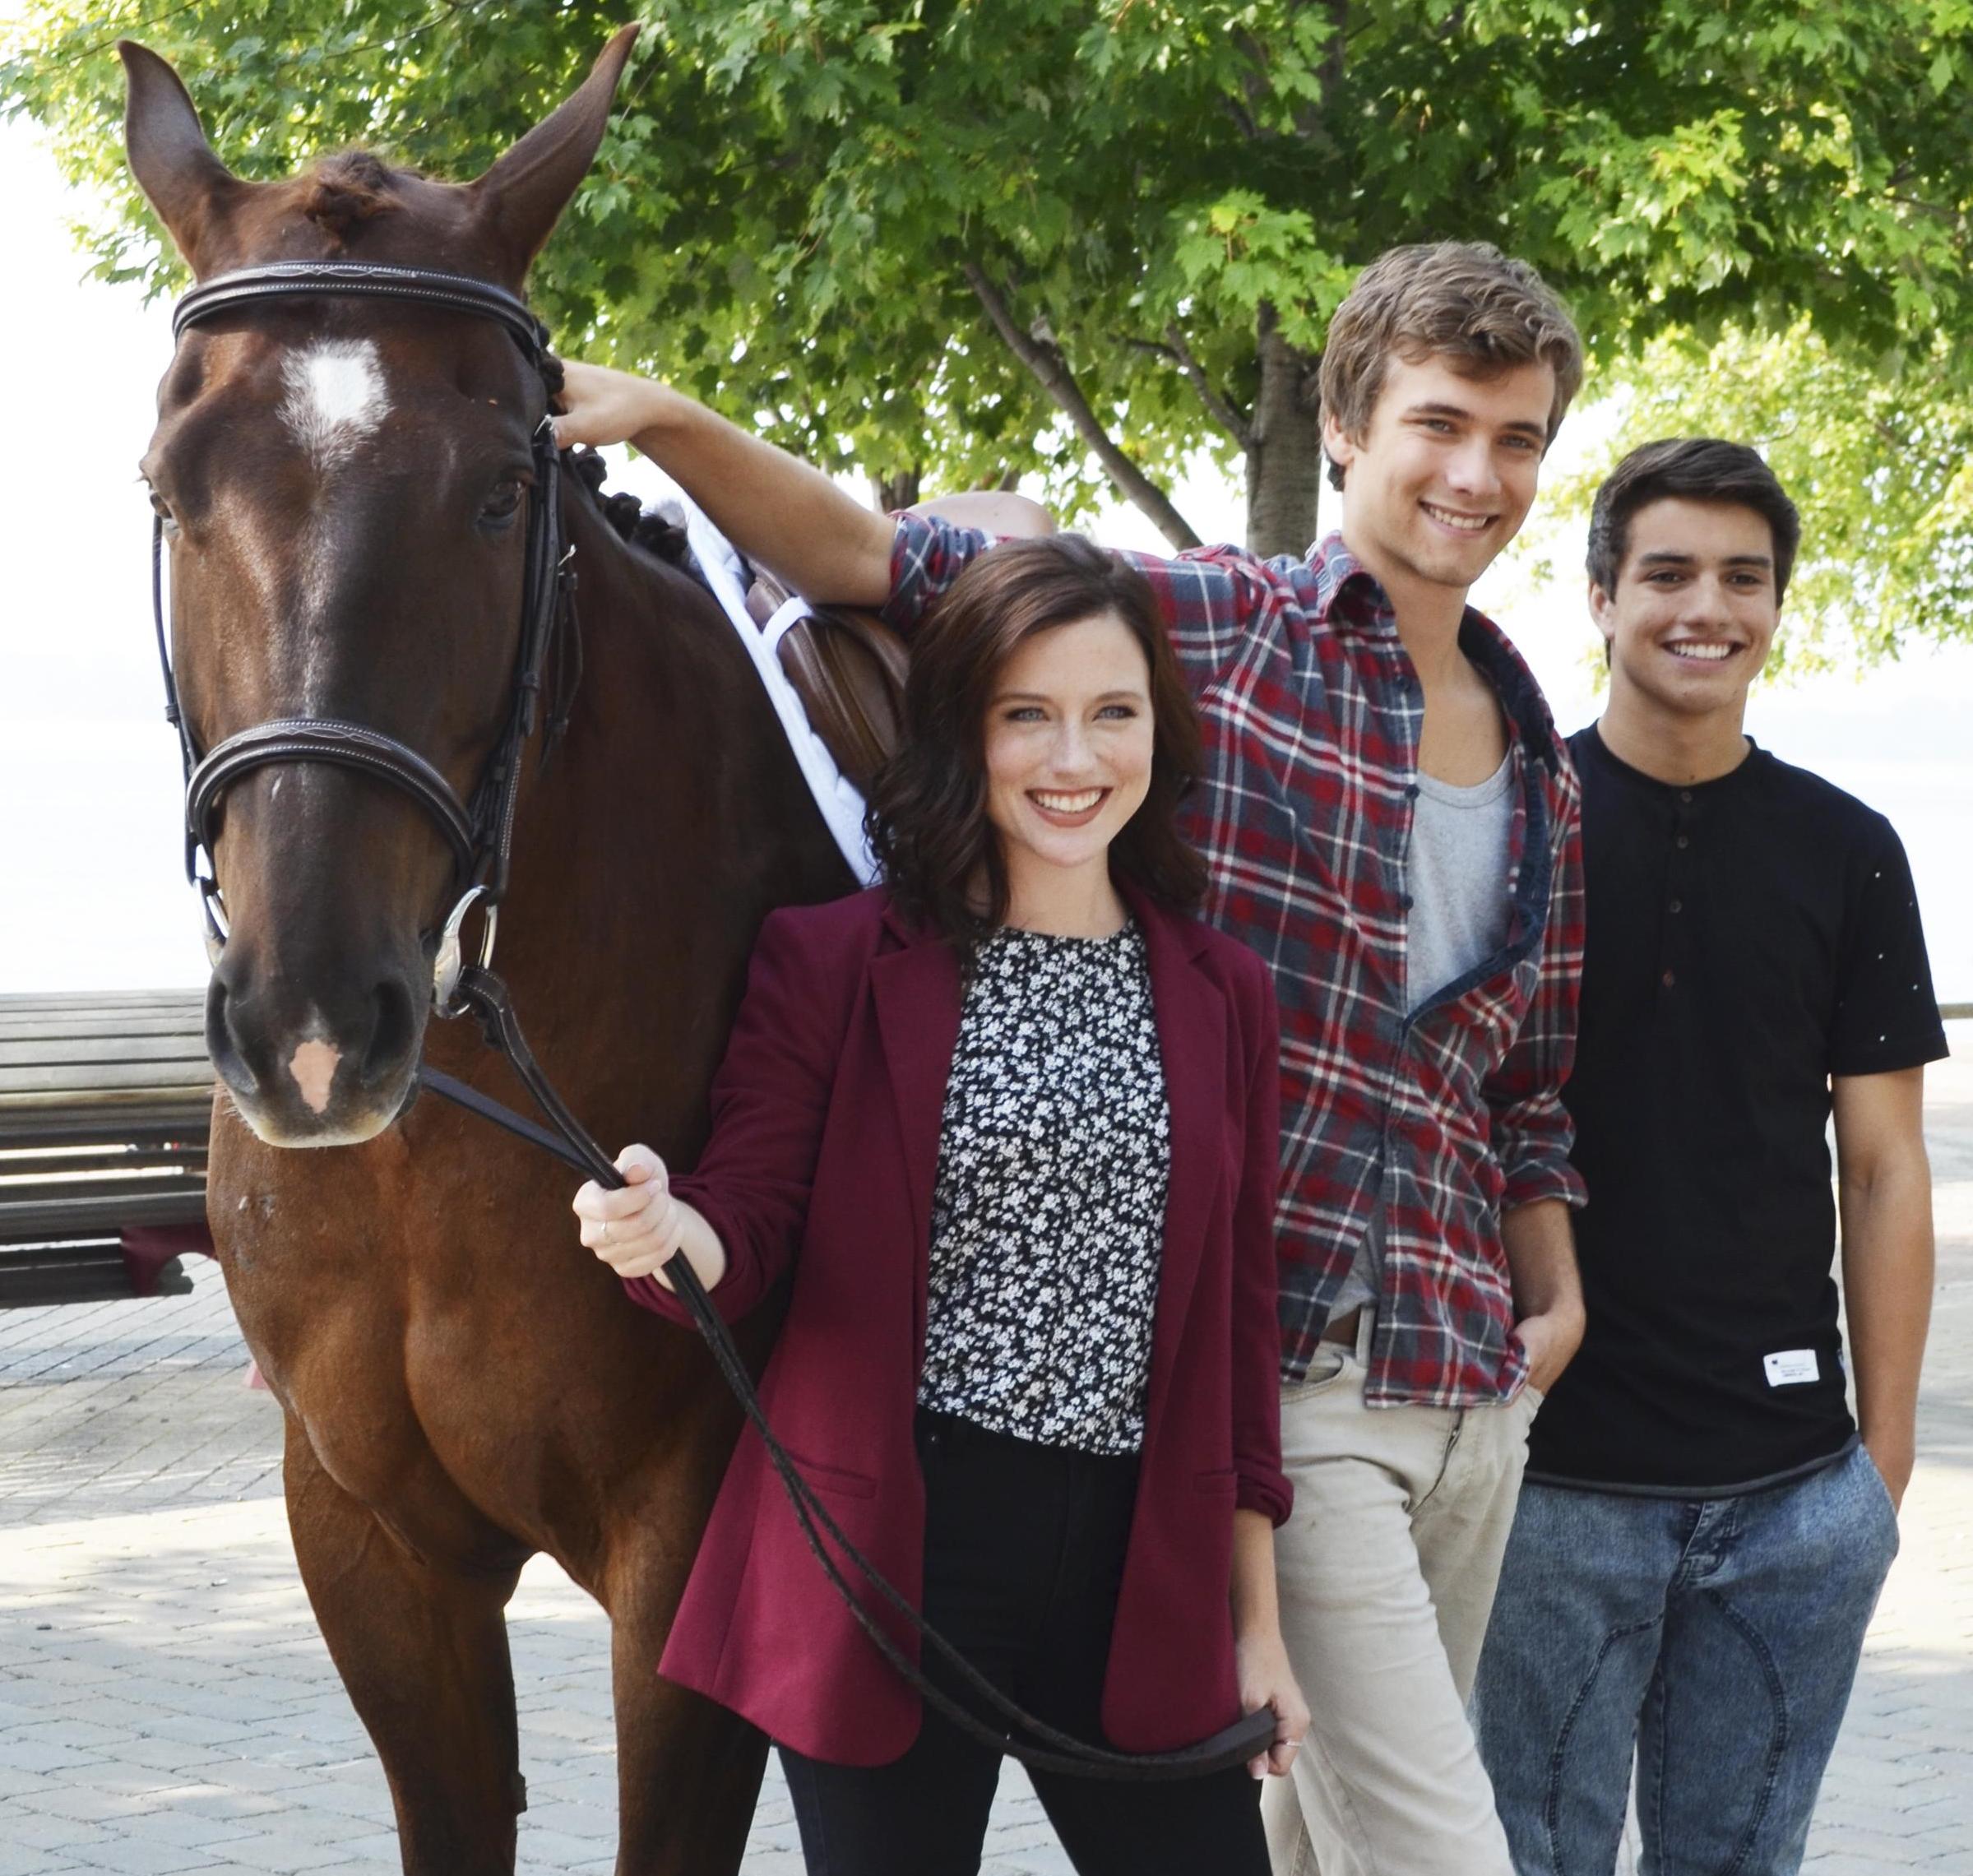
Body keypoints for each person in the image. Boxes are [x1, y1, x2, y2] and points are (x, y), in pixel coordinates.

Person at [555, 238, 1590, 1874]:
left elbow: (1517, 1076)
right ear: (1345, 425)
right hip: (997, 1509)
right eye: (1440, 424)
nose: (1477, 473)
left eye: (1516, 438)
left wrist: (1555, 1271)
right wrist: (668, 419)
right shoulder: (1195, 629)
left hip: (1364, 1419)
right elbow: (885, 562)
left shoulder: (1528, 758)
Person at [572, 535, 1307, 1876]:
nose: (1072, 758)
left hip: (1140, 1564)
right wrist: (666, 1231)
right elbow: (751, 1213)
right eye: (1026, 713)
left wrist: (1257, 1623)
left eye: (1112, 713)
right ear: (965, 730)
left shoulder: (1222, 991)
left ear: (1160, 728)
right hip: (894, 1556)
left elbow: (1240, 1339)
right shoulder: (839, 960)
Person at [1473, 439, 1946, 1876]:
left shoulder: (1847, 848)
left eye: (1745, 577)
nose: (1707, 607)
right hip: (1550, 1491)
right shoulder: (1510, 826)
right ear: (1602, 597)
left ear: (1780, 604)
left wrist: (1883, 1462)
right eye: (1668, 572)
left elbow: (1882, 1168)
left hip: (1790, 1497)